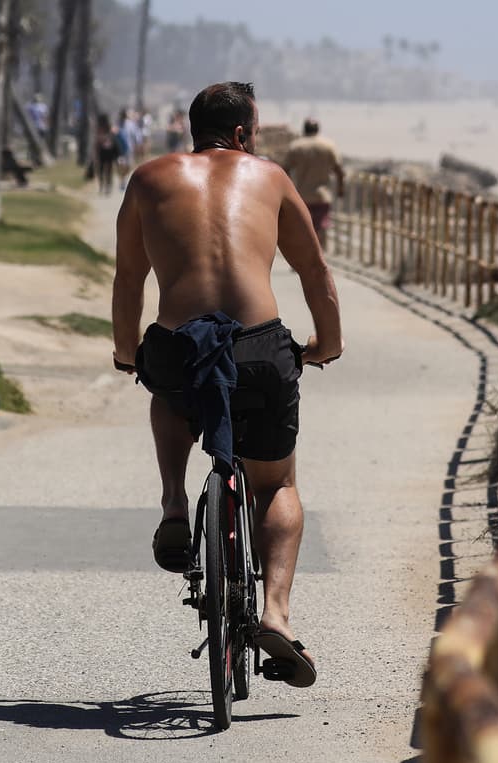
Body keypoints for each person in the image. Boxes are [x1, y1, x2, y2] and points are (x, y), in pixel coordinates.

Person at [111, 82, 344, 688]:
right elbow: (315, 271)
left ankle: (172, 503)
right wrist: (328, 343)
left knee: (163, 384)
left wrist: (124, 351)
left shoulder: (148, 177)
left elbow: (129, 276)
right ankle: (276, 616)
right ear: (243, 134)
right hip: (259, 348)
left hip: (179, 342)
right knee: (277, 483)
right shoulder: (268, 177)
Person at [282, 118, 344, 247]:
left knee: (302, 228)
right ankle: (318, 257)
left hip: (302, 196)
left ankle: (304, 259)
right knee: (320, 227)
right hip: (322, 196)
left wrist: (287, 191)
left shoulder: (296, 146)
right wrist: (340, 188)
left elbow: (285, 170)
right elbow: (338, 170)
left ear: (304, 129)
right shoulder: (328, 146)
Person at [94, 113, 120, 196]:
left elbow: (97, 142)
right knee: (108, 170)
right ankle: (107, 186)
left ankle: (103, 186)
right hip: (109, 151)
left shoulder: (100, 128)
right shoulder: (109, 127)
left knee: (102, 170)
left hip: (103, 151)